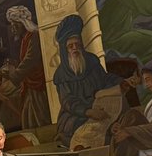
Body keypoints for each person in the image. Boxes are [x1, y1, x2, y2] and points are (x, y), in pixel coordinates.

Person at [51, 15, 121, 148]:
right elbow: (68, 102)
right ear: (65, 51)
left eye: (77, 44)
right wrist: (89, 111)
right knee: (81, 130)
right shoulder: (61, 74)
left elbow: (105, 79)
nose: (75, 48)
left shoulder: (92, 61)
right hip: (77, 114)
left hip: (100, 105)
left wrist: (122, 82)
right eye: (70, 46)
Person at [1, 6, 50, 129]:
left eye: (15, 24)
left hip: (37, 83)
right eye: (11, 24)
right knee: (28, 117)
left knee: (39, 116)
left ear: (23, 23)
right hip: (29, 84)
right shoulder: (25, 39)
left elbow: (30, 59)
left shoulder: (34, 36)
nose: (13, 28)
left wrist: (14, 74)